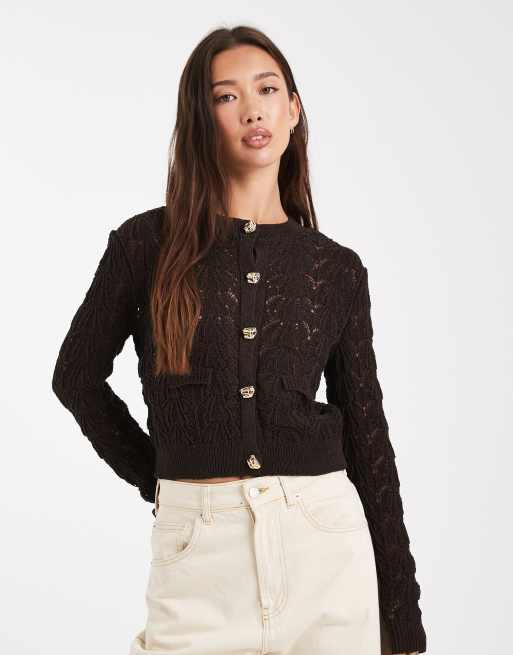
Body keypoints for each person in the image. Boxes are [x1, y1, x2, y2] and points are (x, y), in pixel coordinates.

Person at [51, 24, 426, 655]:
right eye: (226, 96)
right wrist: (159, 478)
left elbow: (368, 437)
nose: (253, 109)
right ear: (202, 121)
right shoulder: (146, 245)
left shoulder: (334, 268)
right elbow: (76, 378)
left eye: (268, 89)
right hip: (199, 563)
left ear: (293, 110)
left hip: (325, 548)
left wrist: (402, 618)